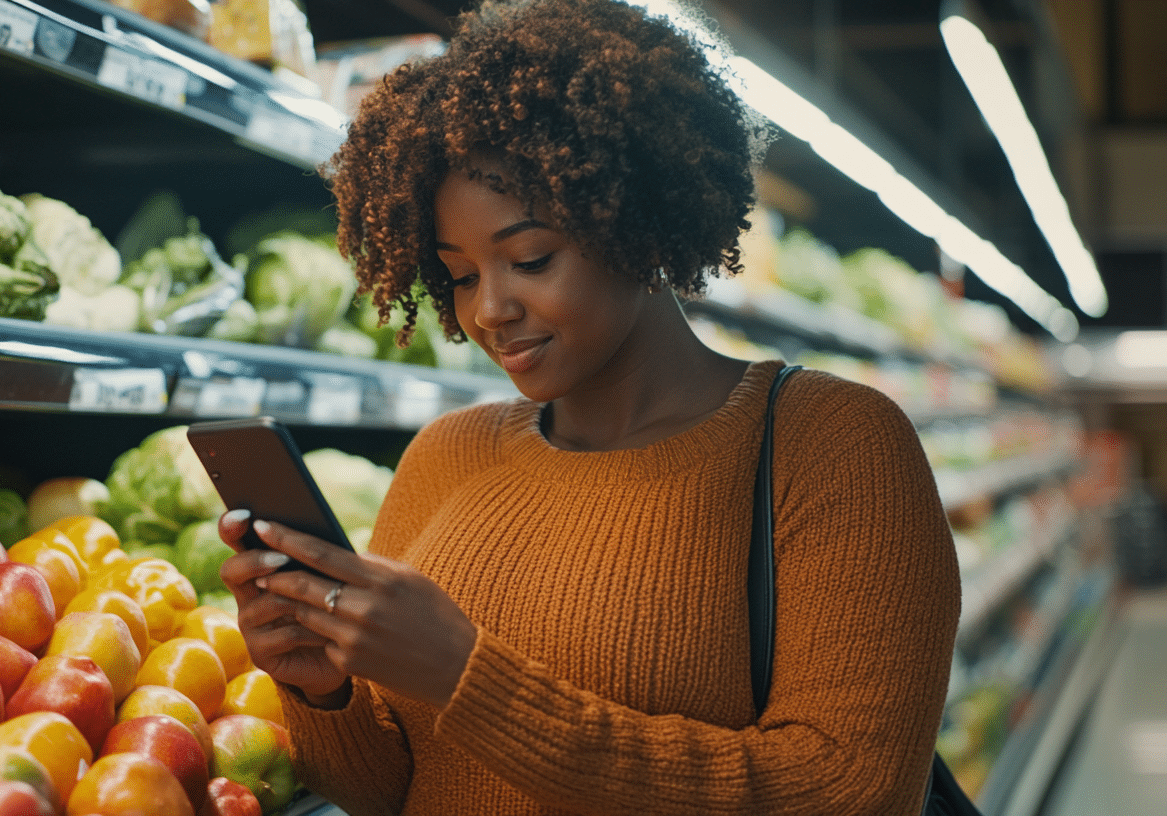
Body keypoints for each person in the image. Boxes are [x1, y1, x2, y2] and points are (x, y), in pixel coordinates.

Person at [217, 0, 961, 813]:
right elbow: (392, 789)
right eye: (460, 274)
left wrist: (470, 676)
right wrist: (327, 694)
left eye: (530, 258)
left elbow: (849, 791)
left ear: (637, 221)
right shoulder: (446, 456)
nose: (489, 310)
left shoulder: (832, 446)